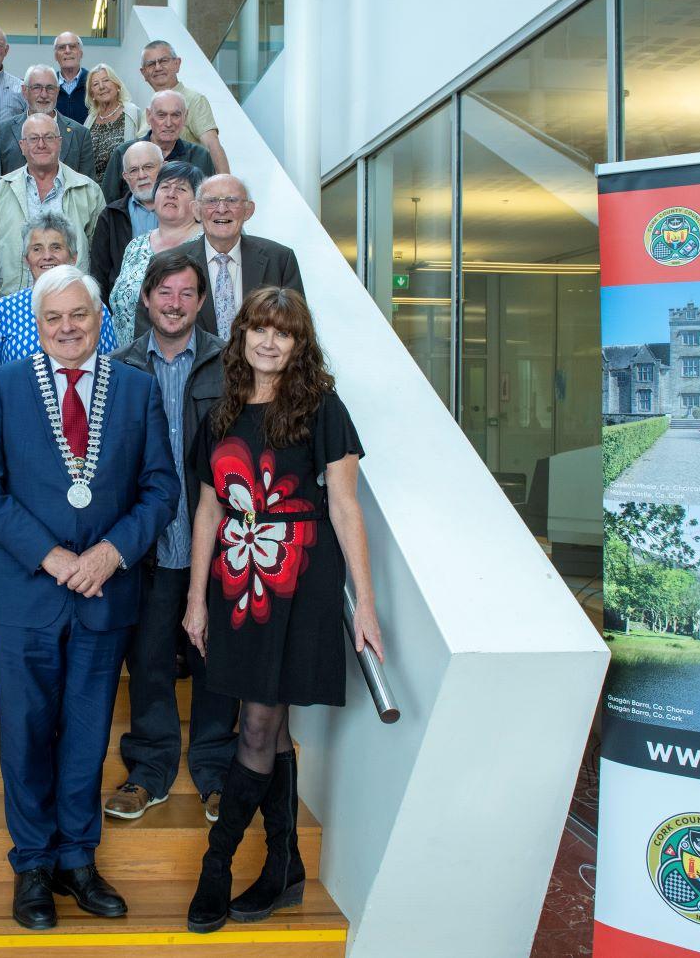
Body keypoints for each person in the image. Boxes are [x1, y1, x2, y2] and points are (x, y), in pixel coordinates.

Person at [0, 265, 180, 930]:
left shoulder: (137, 390)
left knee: (87, 734)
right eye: (52, 317)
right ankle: (31, 865)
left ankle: (77, 860)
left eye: (77, 316)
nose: (65, 328)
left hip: (104, 592)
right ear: (38, 321)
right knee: (25, 735)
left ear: (98, 318)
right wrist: (51, 555)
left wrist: (111, 553)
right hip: (25, 592)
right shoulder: (2, 386)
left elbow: (161, 488)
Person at [181, 287, 385, 933]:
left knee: (260, 725)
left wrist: (367, 607)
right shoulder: (221, 410)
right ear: (241, 336)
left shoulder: (322, 408)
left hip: (299, 576)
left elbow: (347, 506)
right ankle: (285, 867)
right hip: (237, 581)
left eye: (284, 332)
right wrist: (194, 600)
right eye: (259, 329)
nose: (269, 342)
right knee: (267, 718)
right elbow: (210, 508)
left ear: (299, 344)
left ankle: (218, 867)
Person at [105, 249, 237, 825]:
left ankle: (215, 771)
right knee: (151, 659)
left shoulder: (231, 365)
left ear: (202, 302)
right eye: (165, 293)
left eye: (187, 294)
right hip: (148, 546)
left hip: (221, 542)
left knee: (218, 662)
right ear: (145, 298)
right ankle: (150, 770)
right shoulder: (119, 367)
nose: (175, 304)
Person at [0, 113, 104, 293]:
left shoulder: (88, 190)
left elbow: (98, 252)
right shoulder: (1, 191)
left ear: (60, 142)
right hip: (17, 300)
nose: (41, 144)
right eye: (33, 138)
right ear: (22, 146)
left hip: (70, 300)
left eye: (48, 137)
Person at [0, 212, 119, 364]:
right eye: (37, 249)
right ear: (26, 259)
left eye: (56, 247)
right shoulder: (3, 310)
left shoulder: (93, 305)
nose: (47, 256)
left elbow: (109, 364)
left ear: (73, 257)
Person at [185, 174, 305, 340]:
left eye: (232, 200)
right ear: (196, 210)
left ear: (249, 210)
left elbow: (297, 327)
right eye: (211, 201)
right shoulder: (172, 262)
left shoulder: (280, 259)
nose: (221, 209)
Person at [108, 161, 203, 345]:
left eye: (181, 189)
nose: (171, 194)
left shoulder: (204, 245)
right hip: (129, 358)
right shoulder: (136, 245)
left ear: (197, 204)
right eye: (165, 187)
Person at [98, 90, 215, 205]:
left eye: (175, 115)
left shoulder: (201, 157)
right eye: (161, 115)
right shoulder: (124, 153)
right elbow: (107, 205)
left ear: (185, 117)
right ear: (149, 116)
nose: (169, 123)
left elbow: (208, 204)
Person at [139, 39, 231, 175]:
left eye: (164, 61)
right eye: (151, 64)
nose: (158, 67)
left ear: (177, 64)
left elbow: (212, 146)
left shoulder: (194, 100)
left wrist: (225, 188)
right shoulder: (147, 111)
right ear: (144, 73)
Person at [87, 140, 163, 300]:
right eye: (134, 170)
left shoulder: (181, 211)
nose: (142, 175)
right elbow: (99, 274)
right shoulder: (110, 216)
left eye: (148, 167)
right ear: (125, 177)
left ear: (164, 168)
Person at [0, 64, 92, 179]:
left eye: (50, 88)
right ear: (24, 91)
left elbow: (88, 189)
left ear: (57, 91)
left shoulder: (80, 134)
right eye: (37, 87)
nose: (44, 95)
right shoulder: (2, 131)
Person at [82, 64, 145, 186]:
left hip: (124, 186)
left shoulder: (132, 112)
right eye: (95, 84)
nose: (101, 87)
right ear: (92, 94)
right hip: (94, 189)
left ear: (117, 85)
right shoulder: (90, 120)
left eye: (106, 80)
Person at [52, 31, 89, 123]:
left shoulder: (93, 83)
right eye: (61, 47)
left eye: (72, 46)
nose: (67, 51)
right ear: (56, 56)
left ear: (81, 53)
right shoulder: (48, 86)